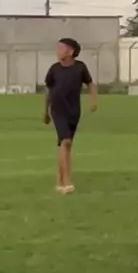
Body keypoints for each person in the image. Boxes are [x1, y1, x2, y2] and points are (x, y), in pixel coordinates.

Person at [44, 38, 97, 194]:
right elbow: (48, 90)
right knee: (66, 142)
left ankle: (59, 182)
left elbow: (90, 83)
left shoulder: (80, 68)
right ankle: (67, 181)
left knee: (65, 145)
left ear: (71, 51)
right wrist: (45, 111)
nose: (58, 51)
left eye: (61, 48)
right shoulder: (54, 69)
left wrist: (93, 100)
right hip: (57, 110)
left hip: (73, 111)